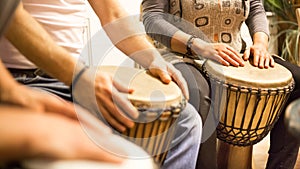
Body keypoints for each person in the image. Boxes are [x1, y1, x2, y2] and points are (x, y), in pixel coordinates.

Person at [0, 0, 203, 168]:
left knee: (185, 123)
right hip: (25, 81)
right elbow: (11, 16)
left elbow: (112, 13)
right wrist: (77, 76)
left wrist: (153, 58)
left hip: (74, 78)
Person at [141, 0, 300, 168]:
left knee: (298, 81)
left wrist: (260, 45)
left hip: (234, 54)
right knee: (197, 94)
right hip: (183, 55)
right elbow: (152, 18)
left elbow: (255, 7)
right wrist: (198, 45)